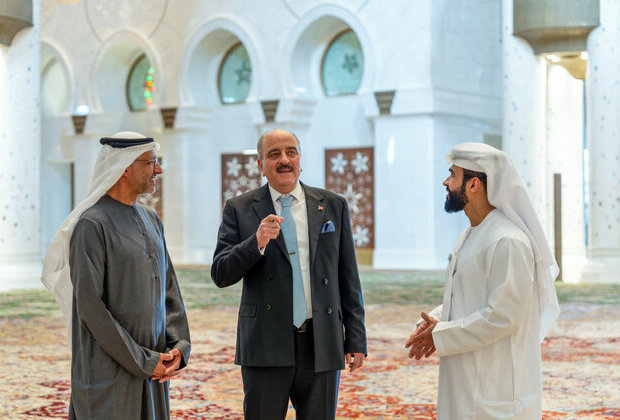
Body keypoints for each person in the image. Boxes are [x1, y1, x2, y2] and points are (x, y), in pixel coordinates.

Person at [211, 129, 367, 419]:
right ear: (260, 165)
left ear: (299, 160)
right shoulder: (240, 209)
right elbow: (220, 273)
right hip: (266, 343)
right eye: (274, 154)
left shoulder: (332, 205)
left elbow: (348, 276)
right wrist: (255, 242)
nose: (284, 160)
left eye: (291, 152)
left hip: (321, 342)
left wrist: (355, 338)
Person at [41, 132, 191, 420]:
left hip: (153, 367)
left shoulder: (152, 219)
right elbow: (90, 308)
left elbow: (169, 291)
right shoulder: (91, 225)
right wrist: (144, 361)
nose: (158, 170)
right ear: (124, 168)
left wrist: (179, 348)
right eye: (151, 162)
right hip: (109, 371)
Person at [405, 142, 560, 419]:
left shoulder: (509, 240)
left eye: (452, 175)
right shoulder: (471, 233)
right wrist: (433, 320)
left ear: (474, 184)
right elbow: (467, 295)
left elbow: (502, 316)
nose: (446, 181)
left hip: (496, 385)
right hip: (466, 373)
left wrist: (440, 334)